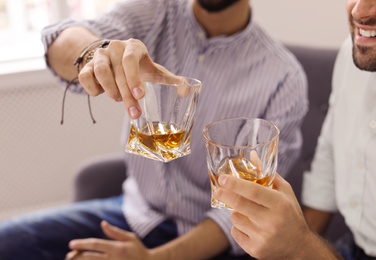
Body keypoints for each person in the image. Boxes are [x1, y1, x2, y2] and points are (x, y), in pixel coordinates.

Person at [0, 0, 308, 259]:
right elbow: (59, 39)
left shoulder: (283, 76)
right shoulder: (156, 12)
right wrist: (97, 53)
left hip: (205, 240)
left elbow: (240, 211)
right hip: (133, 211)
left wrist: (152, 259)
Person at [216, 0, 376, 259]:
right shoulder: (353, 53)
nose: (359, 11)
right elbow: (328, 163)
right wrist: (286, 242)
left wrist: (300, 245)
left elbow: (302, 246)